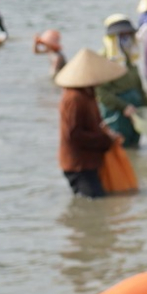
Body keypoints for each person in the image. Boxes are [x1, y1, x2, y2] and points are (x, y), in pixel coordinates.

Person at [56, 49, 124, 196]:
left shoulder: (88, 93)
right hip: (78, 164)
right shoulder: (74, 98)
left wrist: (109, 133)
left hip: (89, 161)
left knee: (95, 204)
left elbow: (95, 123)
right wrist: (106, 140)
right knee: (95, 200)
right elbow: (74, 135)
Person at [96, 14, 147, 148]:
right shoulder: (103, 58)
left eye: (128, 34)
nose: (126, 38)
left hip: (135, 109)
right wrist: (123, 106)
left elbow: (138, 85)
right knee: (120, 147)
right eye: (122, 35)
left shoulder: (128, 57)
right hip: (117, 113)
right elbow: (101, 93)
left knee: (135, 147)